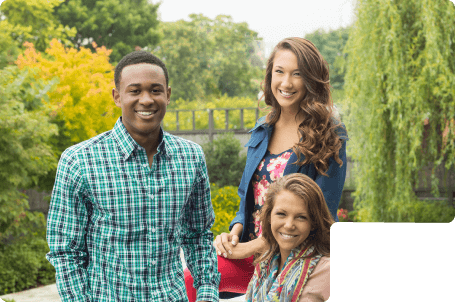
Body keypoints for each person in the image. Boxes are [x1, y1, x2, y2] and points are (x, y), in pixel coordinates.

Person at [46, 51, 220, 302]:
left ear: (168, 95)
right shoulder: (79, 161)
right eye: (135, 91)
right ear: (117, 96)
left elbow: (198, 236)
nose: (146, 100)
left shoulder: (191, 158)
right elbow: (66, 253)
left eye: (155, 90)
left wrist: (207, 294)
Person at [184, 37, 348, 300]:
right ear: (270, 75)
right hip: (252, 253)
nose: (286, 83)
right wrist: (234, 233)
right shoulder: (262, 129)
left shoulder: (330, 135)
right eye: (279, 72)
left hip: (296, 255)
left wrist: (252, 247)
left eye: (298, 74)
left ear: (312, 79)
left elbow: (323, 213)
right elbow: (246, 198)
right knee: (191, 280)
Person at [245, 173, 331, 301]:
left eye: (301, 217)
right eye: (281, 214)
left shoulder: (326, 270)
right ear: (269, 217)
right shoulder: (264, 264)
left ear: (313, 223)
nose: (289, 225)